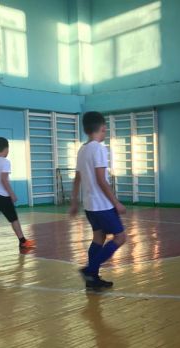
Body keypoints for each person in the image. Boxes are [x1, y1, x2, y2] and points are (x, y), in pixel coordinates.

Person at [70, 111, 127, 291]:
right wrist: (116, 202)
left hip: (89, 205)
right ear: (102, 128)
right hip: (102, 205)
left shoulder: (82, 150)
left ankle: (92, 280)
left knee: (99, 237)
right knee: (120, 237)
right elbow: (102, 180)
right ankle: (90, 270)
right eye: (105, 130)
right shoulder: (99, 149)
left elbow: (77, 178)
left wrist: (74, 201)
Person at [0, 137, 35, 251]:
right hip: (2, 196)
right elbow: (4, 179)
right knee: (13, 219)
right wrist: (12, 194)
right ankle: (23, 242)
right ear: (7, 148)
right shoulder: (5, 162)